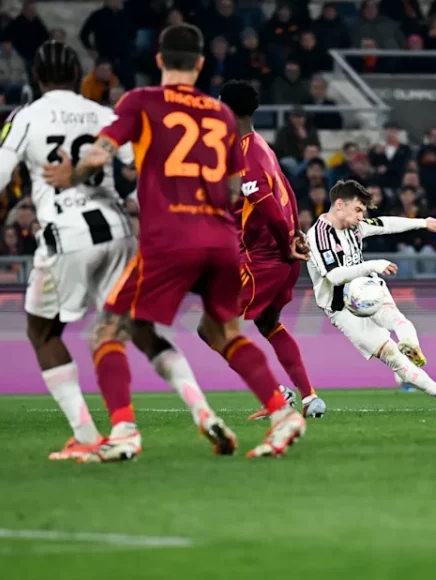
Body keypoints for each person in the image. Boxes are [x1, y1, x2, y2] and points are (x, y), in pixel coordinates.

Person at [44, 24, 307, 462]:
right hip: (221, 240)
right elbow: (233, 188)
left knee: (107, 331)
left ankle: (124, 432)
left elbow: (100, 153)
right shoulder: (221, 116)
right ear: (200, 64)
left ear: (160, 59)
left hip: (170, 237)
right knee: (224, 331)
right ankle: (283, 413)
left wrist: (72, 175)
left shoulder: (142, 101)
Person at [0, 40, 209, 462]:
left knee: (43, 332)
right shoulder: (104, 114)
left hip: (65, 234)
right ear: (78, 75)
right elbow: (146, 167)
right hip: (118, 232)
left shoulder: (27, 117)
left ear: (36, 77)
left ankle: (86, 433)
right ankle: (201, 409)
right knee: (136, 329)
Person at [219, 80, 325, 420]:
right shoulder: (260, 144)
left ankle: (274, 395)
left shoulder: (245, 155)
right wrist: (296, 234)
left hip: (265, 258)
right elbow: (288, 191)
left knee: (213, 326)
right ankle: (310, 398)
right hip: (281, 256)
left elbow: (267, 206)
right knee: (269, 323)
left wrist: (286, 244)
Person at [306, 179, 436, 396]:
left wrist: (423, 223)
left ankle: (410, 347)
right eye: (358, 209)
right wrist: (373, 264)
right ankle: (410, 364)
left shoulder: (355, 226)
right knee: (392, 356)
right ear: (340, 205)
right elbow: (335, 276)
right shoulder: (319, 236)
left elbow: (385, 224)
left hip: (368, 288)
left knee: (399, 321)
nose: (361, 216)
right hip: (341, 307)